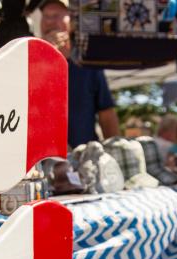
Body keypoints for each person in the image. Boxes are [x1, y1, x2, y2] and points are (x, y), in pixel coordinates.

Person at [39, 0, 119, 148]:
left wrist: (115, 153)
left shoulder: (88, 63)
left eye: (56, 16)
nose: (49, 22)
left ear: (72, 20)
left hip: (82, 158)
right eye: (45, 16)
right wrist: (43, 54)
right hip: (39, 161)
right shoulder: (31, 61)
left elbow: (107, 113)